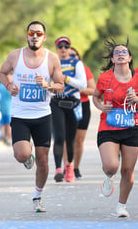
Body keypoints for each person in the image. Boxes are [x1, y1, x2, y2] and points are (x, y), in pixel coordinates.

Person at [0, 20, 64, 213]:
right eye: (31, 32)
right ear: (26, 35)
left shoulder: (52, 59)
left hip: (43, 115)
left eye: (38, 33)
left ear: (44, 37)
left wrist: (48, 85)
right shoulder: (15, 56)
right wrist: (9, 86)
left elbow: (60, 86)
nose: (34, 36)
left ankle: (38, 195)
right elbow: (2, 73)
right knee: (22, 154)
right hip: (20, 115)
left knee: (43, 160)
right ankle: (28, 155)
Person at [92, 38, 138, 217]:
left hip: (131, 127)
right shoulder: (104, 78)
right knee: (111, 166)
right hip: (108, 126)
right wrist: (101, 106)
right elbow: (95, 97)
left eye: (124, 52)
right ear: (113, 59)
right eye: (117, 52)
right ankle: (109, 177)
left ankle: (121, 206)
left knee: (127, 170)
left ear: (130, 58)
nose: (121, 54)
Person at [51, 37, 86, 183]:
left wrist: (66, 79)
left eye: (66, 46)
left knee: (70, 138)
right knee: (59, 137)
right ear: (57, 48)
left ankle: (69, 166)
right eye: (60, 46)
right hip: (57, 102)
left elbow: (82, 84)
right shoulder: (51, 62)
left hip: (72, 102)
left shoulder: (76, 63)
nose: (63, 49)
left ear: (70, 48)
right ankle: (58, 169)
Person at [67, 46, 95, 179]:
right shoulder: (59, 68)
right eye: (69, 55)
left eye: (74, 55)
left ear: (79, 57)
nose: (72, 57)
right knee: (67, 139)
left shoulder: (84, 69)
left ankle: (76, 167)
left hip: (82, 105)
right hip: (66, 105)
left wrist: (77, 87)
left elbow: (92, 90)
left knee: (78, 140)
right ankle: (68, 167)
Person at [0, 78, 12, 146]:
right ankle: (8, 139)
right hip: (8, 108)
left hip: (0, 108)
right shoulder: (9, 87)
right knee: (8, 125)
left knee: (0, 125)